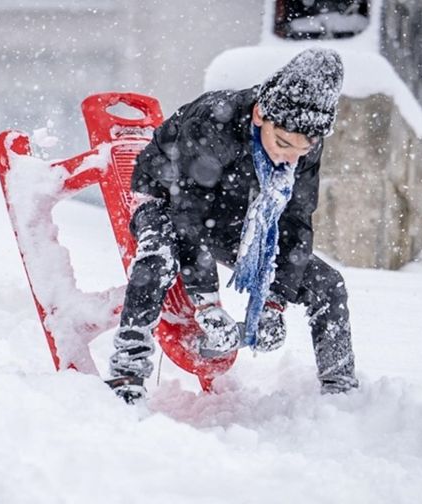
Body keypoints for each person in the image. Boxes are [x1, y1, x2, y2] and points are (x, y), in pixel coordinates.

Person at [106, 48, 359, 403]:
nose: (288, 158)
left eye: (300, 151)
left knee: (328, 284)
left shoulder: (304, 141)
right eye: (282, 143)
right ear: (260, 115)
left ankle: (341, 394)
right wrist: (207, 303)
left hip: (237, 212)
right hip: (167, 195)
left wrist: (276, 301)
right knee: (159, 256)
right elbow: (188, 215)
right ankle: (126, 374)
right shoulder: (215, 120)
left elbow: (296, 221)